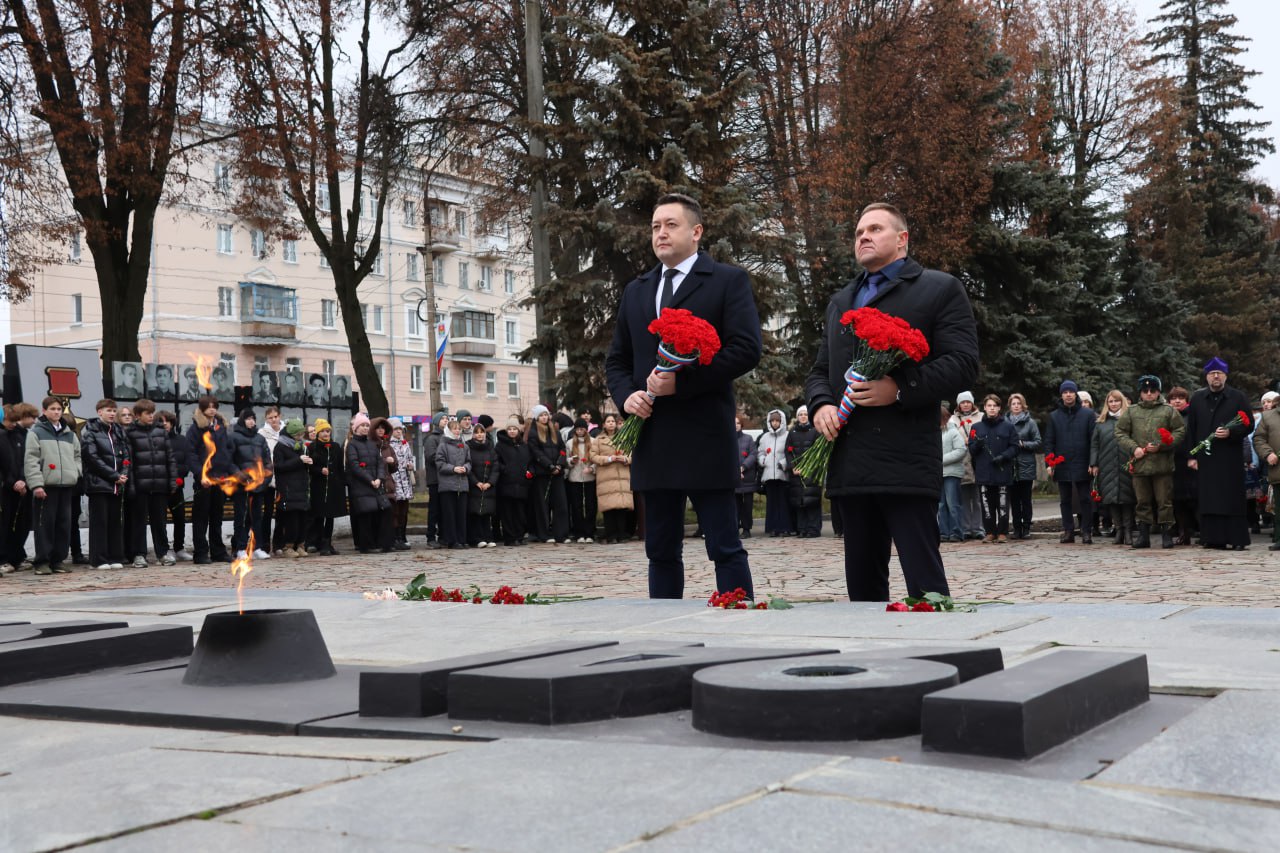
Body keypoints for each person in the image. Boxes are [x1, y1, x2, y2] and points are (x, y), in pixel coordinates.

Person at [806, 202, 978, 601]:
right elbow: (820, 371)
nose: (863, 236)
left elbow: (963, 363)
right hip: (850, 463)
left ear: (902, 240)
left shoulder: (939, 288)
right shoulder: (841, 301)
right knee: (863, 591)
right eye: (858, 232)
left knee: (925, 587)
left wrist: (899, 387)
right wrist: (821, 406)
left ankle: (940, 657)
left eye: (875, 229)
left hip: (904, 461)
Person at [605, 193, 762, 598]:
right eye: (656, 226)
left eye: (670, 225)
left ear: (696, 232)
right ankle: (665, 632)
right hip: (653, 438)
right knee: (659, 550)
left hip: (704, 435)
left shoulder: (727, 280)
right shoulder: (637, 290)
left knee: (724, 546)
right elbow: (617, 361)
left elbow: (745, 349)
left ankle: (739, 626)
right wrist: (627, 398)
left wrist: (684, 382)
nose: (661, 233)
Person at [1184, 357, 1252, 549]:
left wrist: (1231, 432)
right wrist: (1191, 456)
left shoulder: (1238, 397)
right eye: (1212, 374)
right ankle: (1213, 538)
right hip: (1206, 458)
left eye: (1219, 374)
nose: (1216, 377)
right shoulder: (1198, 398)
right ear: (1206, 377)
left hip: (1229, 457)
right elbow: (1192, 428)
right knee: (1209, 497)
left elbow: (1248, 425)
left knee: (1231, 498)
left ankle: (1237, 539)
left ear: (1225, 376)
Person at [1117, 375, 1185, 549]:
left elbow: (1179, 431)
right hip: (1140, 464)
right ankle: (1143, 535)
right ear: (1140, 393)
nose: (1149, 394)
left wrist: (1163, 445)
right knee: (1142, 502)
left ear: (1158, 392)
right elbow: (1120, 432)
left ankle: (1166, 534)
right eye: (1145, 391)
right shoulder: (1132, 411)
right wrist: (1134, 448)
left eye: (1152, 391)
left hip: (1162, 465)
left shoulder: (1168, 411)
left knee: (1165, 501)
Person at [24, 397, 83, 574]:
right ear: (44, 411)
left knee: (63, 524)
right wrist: (36, 485)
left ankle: (58, 560)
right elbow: (31, 460)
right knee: (44, 525)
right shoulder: (36, 432)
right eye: (52, 409)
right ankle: (42, 561)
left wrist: (75, 472)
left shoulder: (70, 434)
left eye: (58, 409)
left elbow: (77, 456)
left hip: (66, 486)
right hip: (46, 487)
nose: (56, 412)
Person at [125, 399, 178, 567]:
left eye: (152, 413)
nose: (151, 416)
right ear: (138, 415)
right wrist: (131, 486)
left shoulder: (161, 431)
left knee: (160, 521)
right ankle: (139, 554)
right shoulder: (130, 433)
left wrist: (172, 481)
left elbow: (170, 458)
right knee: (138, 522)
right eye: (147, 414)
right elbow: (129, 461)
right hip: (141, 485)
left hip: (160, 484)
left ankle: (162, 553)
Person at [1044, 379, 1096, 544]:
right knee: (1065, 500)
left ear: (1075, 394)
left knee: (1085, 499)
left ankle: (1086, 530)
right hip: (1062, 463)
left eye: (1071, 392)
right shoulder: (1054, 416)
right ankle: (1068, 530)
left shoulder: (1087, 415)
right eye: (1065, 392)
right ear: (1061, 395)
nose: (1068, 395)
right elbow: (1049, 441)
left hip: (1082, 461)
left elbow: (1093, 440)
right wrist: (1049, 463)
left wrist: (1093, 462)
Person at [81, 399, 130, 570]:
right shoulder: (90, 432)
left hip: (117, 485)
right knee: (100, 523)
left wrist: (123, 474)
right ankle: (99, 559)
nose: (111, 414)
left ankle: (115, 556)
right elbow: (92, 458)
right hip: (99, 485)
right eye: (108, 410)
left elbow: (126, 455)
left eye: (113, 410)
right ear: (99, 412)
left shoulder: (118, 431)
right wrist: (113, 475)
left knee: (115, 522)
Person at [185, 396, 233, 564]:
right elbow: (190, 454)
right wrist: (201, 474)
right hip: (204, 479)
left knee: (217, 516)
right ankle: (201, 552)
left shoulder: (221, 427)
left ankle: (218, 551)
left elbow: (226, 451)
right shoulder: (196, 428)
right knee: (201, 517)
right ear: (202, 408)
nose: (212, 409)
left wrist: (228, 473)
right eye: (208, 406)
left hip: (220, 477)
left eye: (214, 406)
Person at [968, 394, 1017, 543]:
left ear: (999, 408)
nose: (992, 409)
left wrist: (1004, 456)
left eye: (995, 406)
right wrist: (977, 444)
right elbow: (971, 448)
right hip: (984, 472)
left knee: (1002, 504)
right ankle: (989, 532)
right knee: (986, 504)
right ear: (984, 408)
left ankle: (1002, 532)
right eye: (989, 406)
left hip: (1002, 471)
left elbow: (1015, 447)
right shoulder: (976, 427)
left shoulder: (1008, 426)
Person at [1090, 389, 1137, 545]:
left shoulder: (1130, 419)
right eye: (1111, 401)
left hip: (1126, 463)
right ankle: (1119, 530)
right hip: (1107, 464)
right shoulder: (1101, 423)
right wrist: (1094, 463)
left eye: (1116, 401)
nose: (1114, 404)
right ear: (1107, 404)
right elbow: (1095, 445)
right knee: (1111, 499)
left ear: (1121, 402)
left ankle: (1128, 531)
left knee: (1127, 498)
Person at [227, 408, 271, 559]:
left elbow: (267, 462)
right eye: (248, 418)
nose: (251, 421)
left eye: (253, 418)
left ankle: (257, 547)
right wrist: (240, 476)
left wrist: (264, 480)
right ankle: (240, 548)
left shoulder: (260, 438)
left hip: (258, 486)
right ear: (242, 420)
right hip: (242, 485)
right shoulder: (233, 437)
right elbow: (229, 461)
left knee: (257, 516)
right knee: (241, 516)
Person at [1, 403, 38, 574]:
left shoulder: (19, 436)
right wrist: (12, 482)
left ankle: (16, 556)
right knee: (5, 524)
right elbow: (6, 464)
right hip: (7, 488)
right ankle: (4, 558)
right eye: (11, 421)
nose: (13, 425)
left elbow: (23, 460)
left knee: (21, 524)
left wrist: (23, 480)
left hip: (20, 486)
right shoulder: (4, 435)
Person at [346, 413, 391, 552]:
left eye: (367, 425)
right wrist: (370, 480)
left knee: (382, 512)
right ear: (356, 428)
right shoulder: (352, 445)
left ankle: (381, 543)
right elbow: (354, 465)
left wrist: (379, 478)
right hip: (362, 486)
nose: (365, 428)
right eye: (362, 426)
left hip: (376, 485)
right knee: (366, 515)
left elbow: (380, 463)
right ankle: (366, 545)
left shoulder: (372, 444)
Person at [526, 404, 570, 543]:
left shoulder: (555, 431)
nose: (544, 417)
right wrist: (549, 466)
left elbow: (562, 449)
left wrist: (559, 464)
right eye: (541, 415)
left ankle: (561, 534)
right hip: (542, 474)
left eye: (546, 415)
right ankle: (544, 534)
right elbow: (536, 452)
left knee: (560, 504)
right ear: (537, 418)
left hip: (557, 473)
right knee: (542, 506)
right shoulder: (533, 432)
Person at [157, 410, 197, 561]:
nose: (165, 424)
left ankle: (179, 547)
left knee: (179, 517)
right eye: (161, 421)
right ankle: (165, 549)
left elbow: (187, 461)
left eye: (167, 421)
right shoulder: (155, 439)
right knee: (161, 519)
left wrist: (180, 476)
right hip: (160, 486)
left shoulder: (181, 440)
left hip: (177, 486)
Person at [305, 418, 347, 555]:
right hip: (319, 486)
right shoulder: (312, 447)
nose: (325, 433)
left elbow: (340, 467)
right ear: (317, 433)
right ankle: (319, 542)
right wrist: (319, 470)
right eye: (322, 431)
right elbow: (309, 467)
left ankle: (328, 542)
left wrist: (341, 482)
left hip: (334, 486)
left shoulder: (335, 447)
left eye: (328, 431)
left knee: (330, 516)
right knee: (319, 515)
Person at [271, 418, 312, 557]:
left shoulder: (301, 446)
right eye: (297, 435)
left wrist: (308, 462)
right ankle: (287, 546)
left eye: (301, 435)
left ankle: (300, 544)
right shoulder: (280, 447)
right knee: (291, 519)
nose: (300, 437)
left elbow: (301, 465)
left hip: (301, 486)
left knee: (302, 518)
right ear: (291, 434)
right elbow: (279, 467)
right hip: (288, 488)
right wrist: (298, 460)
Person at [591, 413, 633, 544]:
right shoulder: (598, 440)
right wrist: (608, 459)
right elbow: (593, 456)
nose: (611, 423)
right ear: (603, 424)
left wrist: (626, 459)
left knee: (621, 507)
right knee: (609, 508)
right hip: (606, 477)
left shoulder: (624, 438)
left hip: (621, 476)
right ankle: (611, 535)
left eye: (613, 421)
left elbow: (631, 454)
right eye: (608, 421)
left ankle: (622, 534)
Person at [1005, 393, 1042, 540]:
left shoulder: (1030, 422)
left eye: (1018, 403)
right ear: (1010, 406)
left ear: (1023, 405)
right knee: (1013, 499)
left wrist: (1023, 444)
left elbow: (1038, 442)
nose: (1016, 406)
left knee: (1025, 499)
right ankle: (1016, 527)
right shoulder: (1005, 422)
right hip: (1010, 465)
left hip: (1026, 464)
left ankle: (1026, 526)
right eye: (1013, 404)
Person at [495, 415, 533, 546]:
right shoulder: (500, 446)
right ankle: (510, 538)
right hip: (506, 484)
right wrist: (506, 470)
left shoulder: (524, 446)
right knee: (507, 513)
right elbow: (496, 463)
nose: (512, 431)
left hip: (521, 484)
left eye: (514, 429)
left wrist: (530, 472)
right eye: (509, 429)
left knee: (520, 513)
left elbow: (530, 463)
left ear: (519, 430)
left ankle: (519, 536)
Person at [434, 416, 471, 549]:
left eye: (459, 429)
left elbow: (469, 461)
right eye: (454, 429)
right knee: (450, 514)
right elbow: (439, 463)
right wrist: (453, 468)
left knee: (461, 513)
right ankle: (452, 540)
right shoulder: (443, 445)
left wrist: (466, 468)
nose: (457, 431)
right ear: (448, 430)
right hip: (448, 485)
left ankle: (462, 539)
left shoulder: (464, 446)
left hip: (462, 484)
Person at [951, 391, 984, 540]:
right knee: (963, 498)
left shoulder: (981, 417)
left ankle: (978, 527)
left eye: (968, 402)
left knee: (977, 498)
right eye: (963, 402)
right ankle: (965, 528)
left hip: (977, 461)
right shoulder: (953, 419)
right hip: (961, 462)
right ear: (959, 404)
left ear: (972, 403)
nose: (965, 405)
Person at [787, 405, 823, 537]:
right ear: (797, 417)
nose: (803, 416)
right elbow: (788, 451)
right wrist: (793, 467)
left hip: (811, 472)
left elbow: (818, 451)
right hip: (797, 473)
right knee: (799, 501)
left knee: (811, 500)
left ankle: (813, 529)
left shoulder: (815, 431)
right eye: (801, 414)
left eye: (805, 414)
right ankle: (802, 529)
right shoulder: (792, 433)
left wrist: (808, 467)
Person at [1251, 393, 1280, 551]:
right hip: (1277, 469)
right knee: (1278, 507)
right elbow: (1259, 439)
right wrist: (1268, 453)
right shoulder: (1268, 417)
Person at [757, 408, 792, 536]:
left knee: (783, 502)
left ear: (782, 421)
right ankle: (772, 528)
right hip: (768, 474)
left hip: (782, 473)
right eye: (773, 421)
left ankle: (784, 527)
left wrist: (783, 463)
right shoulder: (765, 437)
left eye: (777, 421)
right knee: (772, 502)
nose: (775, 423)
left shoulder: (787, 435)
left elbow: (790, 453)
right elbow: (760, 452)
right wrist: (763, 460)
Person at [466, 420, 499, 547]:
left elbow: (495, 467)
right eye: (477, 433)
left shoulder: (490, 447)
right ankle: (477, 538)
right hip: (475, 484)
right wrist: (476, 482)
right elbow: (468, 465)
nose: (480, 435)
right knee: (475, 512)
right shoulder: (468, 447)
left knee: (487, 513)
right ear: (473, 434)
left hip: (488, 485)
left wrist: (490, 482)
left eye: (482, 432)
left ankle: (488, 537)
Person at [257, 407, 285, 555]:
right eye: (270, 418)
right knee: (267, 512)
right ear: (266, 419)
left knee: (282, 511)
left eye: (275, 417)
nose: (274, 420)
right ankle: (265, 544)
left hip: (283, 476)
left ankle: (279, 543)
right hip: (268, 477)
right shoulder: (262, 434)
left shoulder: (285, 433)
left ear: (280, 416)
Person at [565, 419, 598, 543]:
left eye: (582, 428)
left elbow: (596, 459)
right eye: (578, 429)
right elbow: (566, 460)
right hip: (575, 477)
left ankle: (589, 533)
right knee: (576, 506)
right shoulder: (569, 443)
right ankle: (578, 533)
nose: (580, 431)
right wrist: (571, 461)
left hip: (590, 477)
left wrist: (592, 468)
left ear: (586, 429)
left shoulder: (593, 442)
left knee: (590, 505)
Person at [938, 405, 967, 543]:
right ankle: (943, 532)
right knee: (941, 505)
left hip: (952, 473)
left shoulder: (953, 431)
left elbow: (961, 450)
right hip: (938, 474)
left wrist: (940, 460)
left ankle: (956, 532)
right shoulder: (933, 432)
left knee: (953, 504)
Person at [387, 418, 416, 550]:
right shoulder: (388, 445)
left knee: (404, 511)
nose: (399, 431)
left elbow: (410, 458)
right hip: (395, 480)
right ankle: (395, 537)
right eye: (396, 429)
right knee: (395, 511)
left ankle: (403, 535)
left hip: (406, 481)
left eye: (400, 429)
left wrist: (411, 465)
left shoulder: (405, 444)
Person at [421, 412, 446, 548]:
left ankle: (443, 535)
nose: (445, 420)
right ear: (436, 422)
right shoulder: (432, 438)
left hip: (447, 479)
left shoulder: (447, 437)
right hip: (435, 479)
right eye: (443, 419)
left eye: (447, 418)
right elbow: (431, 457)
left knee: (444, 509)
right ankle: (431, 536)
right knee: (434, 509)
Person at [733, 415, 757, 538]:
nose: (736, 425)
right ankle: (735, 527)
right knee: (735, 505)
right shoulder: (727, 439)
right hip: (734, 478)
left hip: (747, 477)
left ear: (741, 425)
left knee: (747, 505)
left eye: (738, 423)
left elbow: (753, 455)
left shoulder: (748, 439)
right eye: (733, 423)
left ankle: (747, 528)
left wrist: (743, 467)